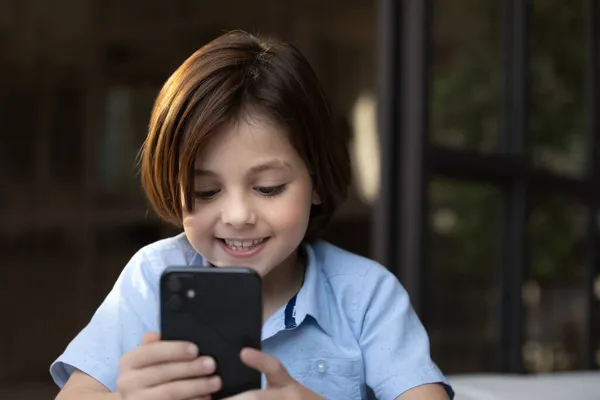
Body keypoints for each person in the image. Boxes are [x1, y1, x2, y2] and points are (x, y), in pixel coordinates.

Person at [50, 30, 454, 400]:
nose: (238, 215)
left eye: (268, 188)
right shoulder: (152, 278)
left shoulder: (365, 294)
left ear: (316, 181)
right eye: (205, 192)